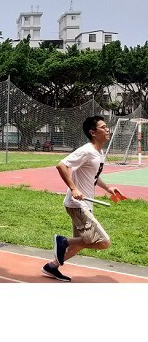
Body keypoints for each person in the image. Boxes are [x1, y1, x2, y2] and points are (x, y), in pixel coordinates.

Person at [42, 116, 117, 282]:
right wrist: (73, 188)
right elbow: (61, 165)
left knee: (80, 244)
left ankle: (52, 266)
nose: (107, 129)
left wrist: (108, 188)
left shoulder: (99, 152)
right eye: (103, 127)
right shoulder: (87, 150)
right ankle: (63, 241)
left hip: (85, 203)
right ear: (93, 132)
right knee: (103, 242)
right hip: (77, 204)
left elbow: (93, 176)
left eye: (107, 126)